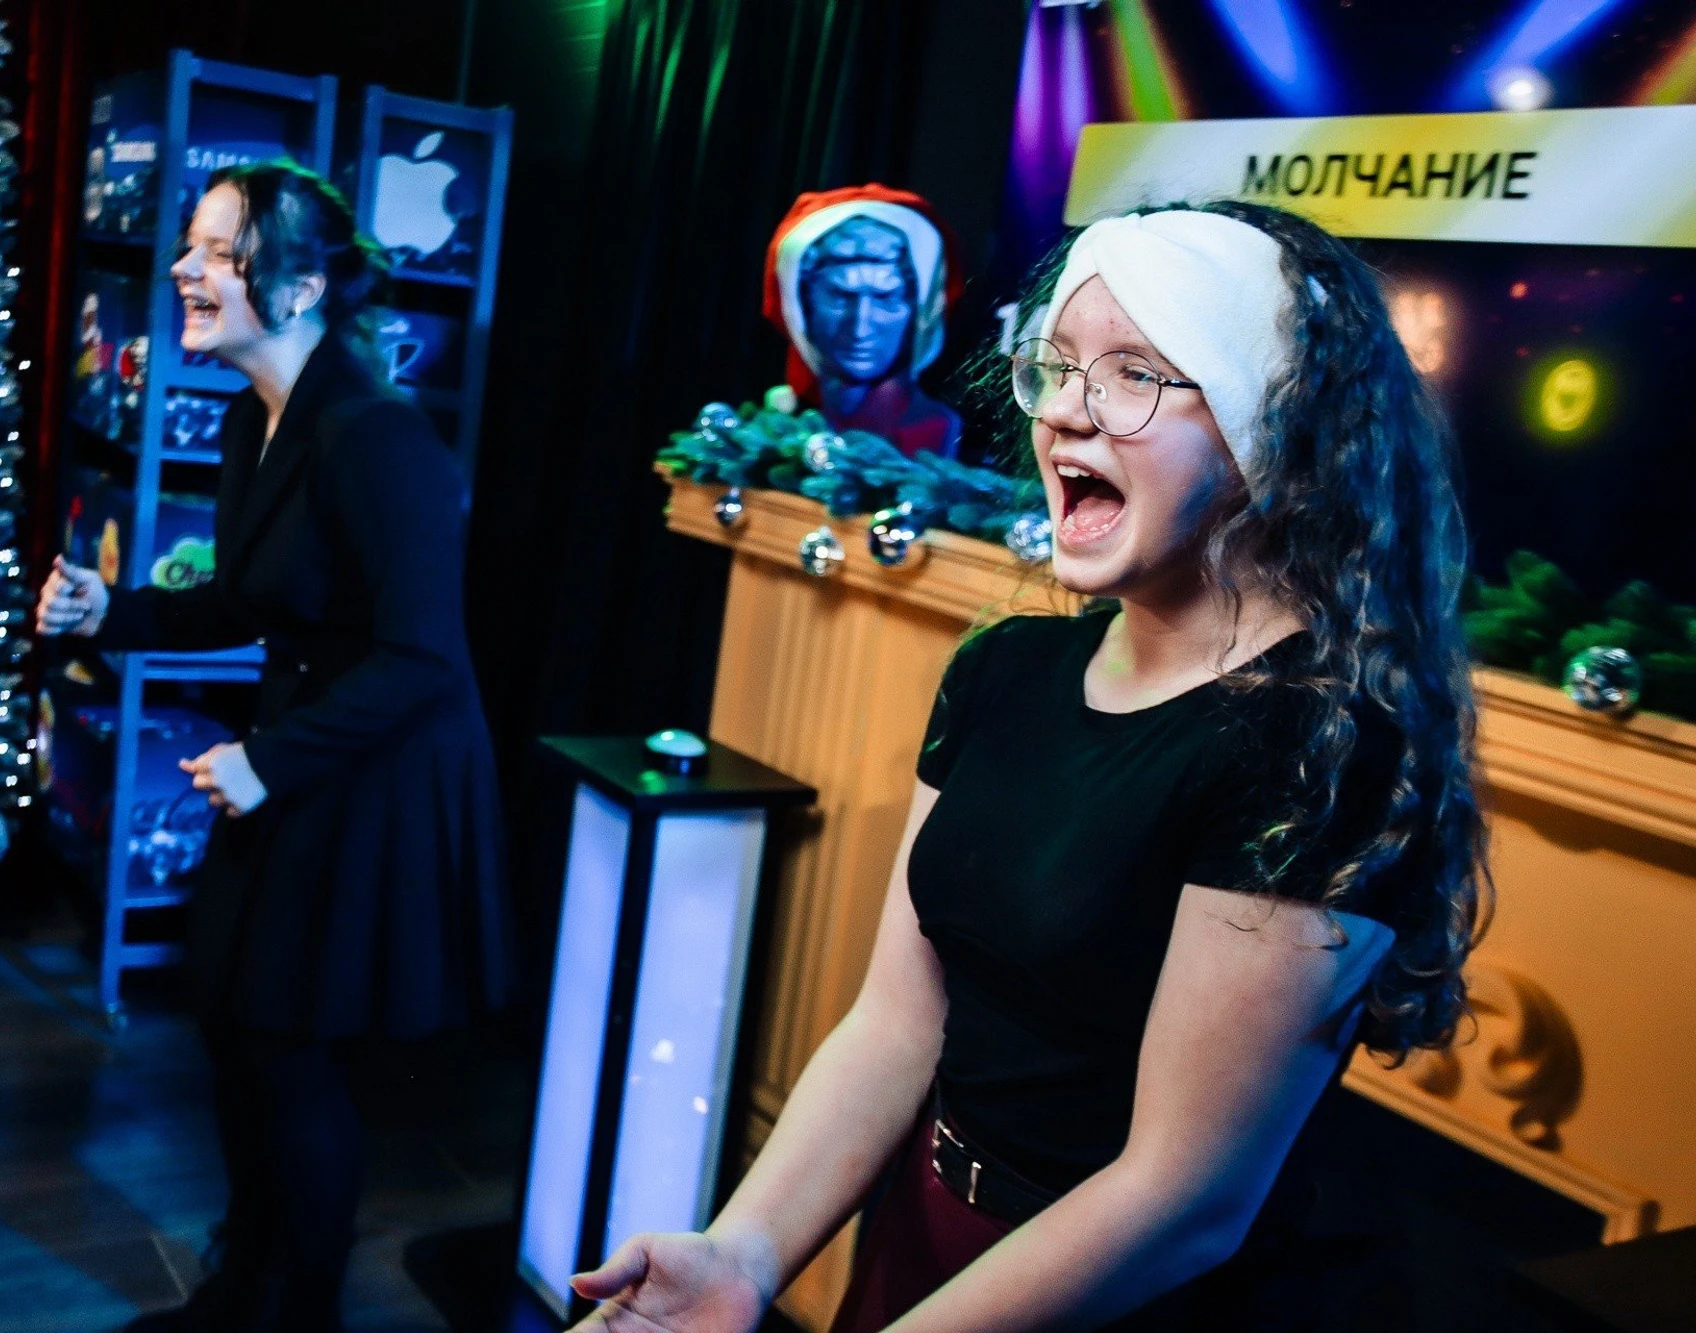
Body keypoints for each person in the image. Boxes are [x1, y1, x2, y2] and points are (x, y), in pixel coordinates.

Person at [569, 201, 1489, 1331]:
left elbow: (1180, 1199)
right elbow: (896, 1023)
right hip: (918, 1233)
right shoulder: (1004, 668)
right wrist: (742, 1252)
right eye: (1054, 367)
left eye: (1135, 373)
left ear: (1274, 425)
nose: (1060, 411)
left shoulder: (1315, 746)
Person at [37, 161, 509, 1333]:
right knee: (242, 1027)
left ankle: (290, 1311)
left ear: (298, 288)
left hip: (378, 776)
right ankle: (245, 1287)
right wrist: (109, 614)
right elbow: (249, 598)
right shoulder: (259, 418)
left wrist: (268, 762)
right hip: (308, 752)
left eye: (216, 251)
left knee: (288, 1049)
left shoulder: (375, 437)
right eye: (189, 246)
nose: (182, 270)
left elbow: (422, 660)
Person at [763, 186, 967, 459]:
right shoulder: (777, 419)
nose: (860, 328)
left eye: (886, 298)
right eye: (839, 297)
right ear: (801, 304)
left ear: (923, 311)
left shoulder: (935, 427)